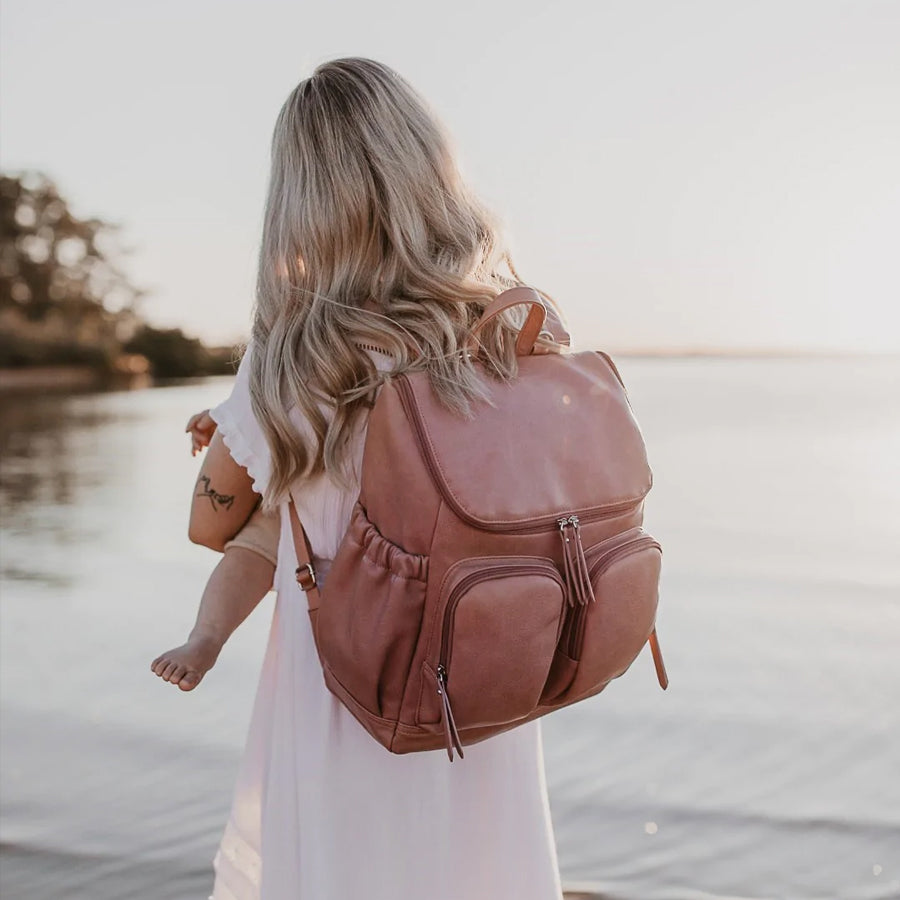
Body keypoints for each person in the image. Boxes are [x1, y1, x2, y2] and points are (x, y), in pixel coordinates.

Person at [158, 57, 566, 900]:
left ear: (300, 197)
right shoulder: (506, 327)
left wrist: (235, 428)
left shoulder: (289, 359)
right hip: (484, 680)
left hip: (352, 696)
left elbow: (214, 527)